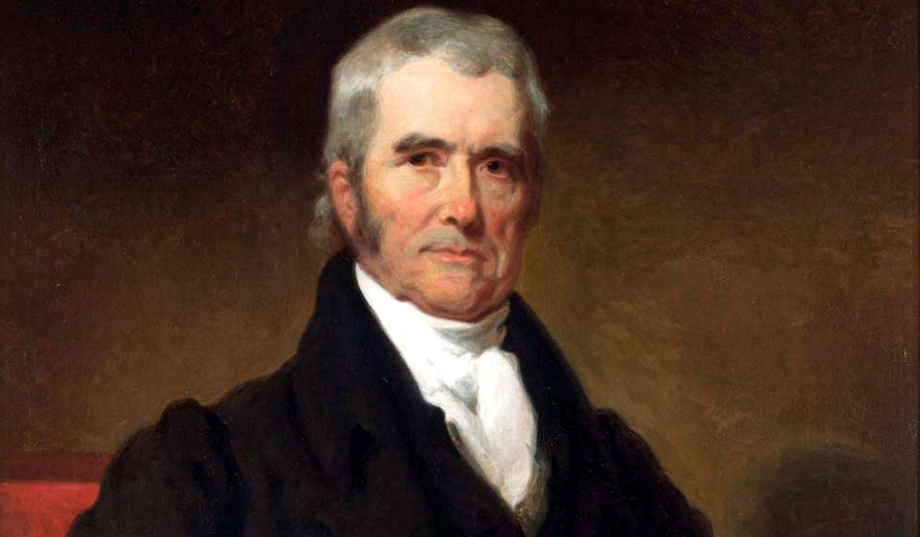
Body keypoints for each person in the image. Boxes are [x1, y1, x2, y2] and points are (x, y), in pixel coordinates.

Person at [70, 7, 711, 537]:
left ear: (530, 199)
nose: (464, 207)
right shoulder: (208, 468)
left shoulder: (619, 469)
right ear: (348, 197)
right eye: (422, 159)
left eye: (496, 166)